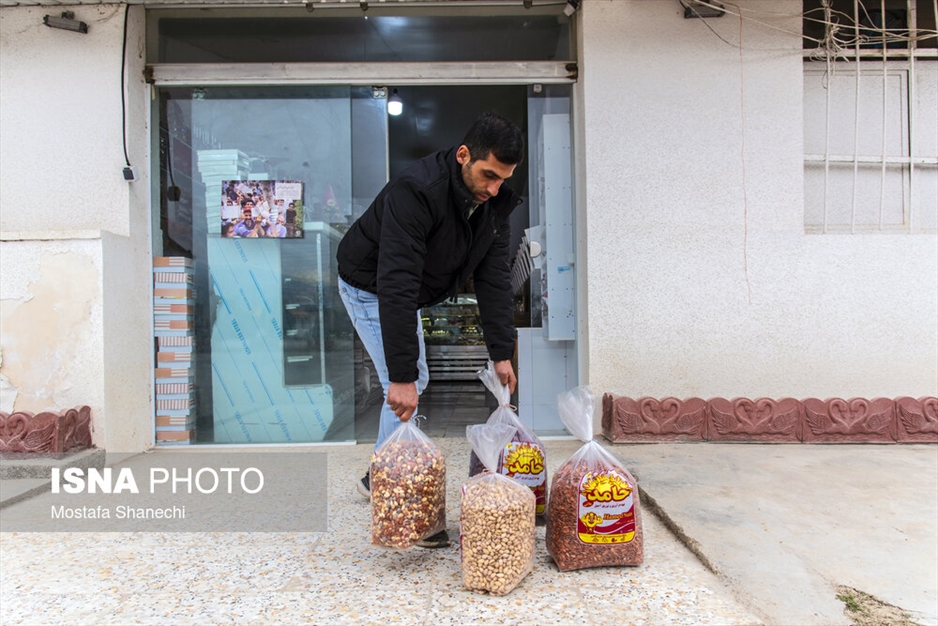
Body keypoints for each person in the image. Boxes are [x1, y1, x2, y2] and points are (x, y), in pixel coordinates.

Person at [336, 112, 524, 548]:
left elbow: (494, 279)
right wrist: (401, 375)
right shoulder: (416, 191)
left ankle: (378, 476)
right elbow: (396, 281)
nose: (494, 188)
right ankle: (396, 494)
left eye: (504, 179)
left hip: (409, 289)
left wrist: (501, 353)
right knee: (407, 383)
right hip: (369, 284)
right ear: (464, 155)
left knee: (413, 379)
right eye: (488, 175)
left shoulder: (494, 204)